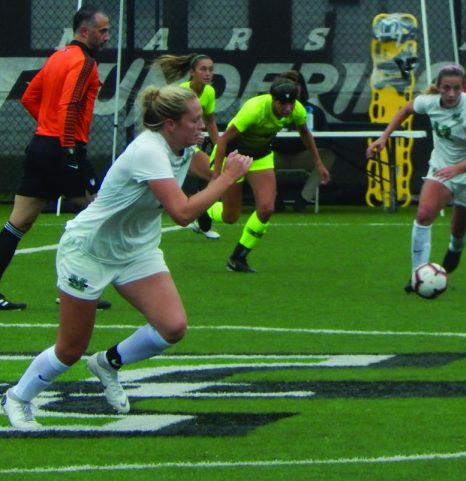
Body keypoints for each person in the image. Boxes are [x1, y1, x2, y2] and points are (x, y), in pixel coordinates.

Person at [0, 85, 253, 429]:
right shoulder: (149, 151)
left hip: (136, 251)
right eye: (194, 121)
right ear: (169, 125)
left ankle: (108, 363)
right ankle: (17, 397)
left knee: (172, 327)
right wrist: (227, 178)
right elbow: (181, 212)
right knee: (71, 347)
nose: (202, 126)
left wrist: (232, 172)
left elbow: (219, 189)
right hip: (89, 252)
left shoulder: (187, 147)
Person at [0, 5, 111, 311]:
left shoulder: (58, 56)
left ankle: (74, 289)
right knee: (97, 214)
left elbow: (28, 97)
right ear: (84, 31)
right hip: (64, 147)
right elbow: (70, 104)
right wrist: (67, 149)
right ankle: (75, 290)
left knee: (18, 221)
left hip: (42, 145)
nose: (107, 36)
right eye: (102, 31)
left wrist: (48, 130)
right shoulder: (84, 62)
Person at [366, 64, 466, 290]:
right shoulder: (430, 102)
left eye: (456, 88)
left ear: (463, 87)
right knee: (423, 214)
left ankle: (456, 246)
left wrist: (457, 169)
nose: (451, 94)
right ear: (438, 87)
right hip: (441, 169)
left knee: (458, 230)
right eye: (446, 88)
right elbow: (406, 110)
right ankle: (417, 275)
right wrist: (383, 137)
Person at [208, 72, 329, 272]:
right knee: (230, 216)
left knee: (266, 208)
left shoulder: (296, 110)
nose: (288, 108)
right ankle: (205, 211)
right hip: (234, 155)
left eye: (291, 104)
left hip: (260, 156)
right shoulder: (255, 109)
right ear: (273, 100)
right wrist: (216, 175)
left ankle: (238, 257)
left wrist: (318, 163)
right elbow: (223, 140)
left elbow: (305, 133)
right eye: (283, 104)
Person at [155, 52, 221, 239]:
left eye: (211, 69)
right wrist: (190, 137)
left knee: (216, 174)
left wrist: (219, 148)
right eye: (203, 69)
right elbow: (168, 124)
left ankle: (200, 215)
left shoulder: (209, 92)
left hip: (190, 147)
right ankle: (196, 212)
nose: (208, 73)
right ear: (192, 72)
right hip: (170, 146)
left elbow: (210, 122)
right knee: (167, 185)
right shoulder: (182, 94)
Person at [272, 71, 336, 212]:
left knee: (328, 155)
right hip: (275, 156)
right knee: (250, 156)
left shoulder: (313, 111)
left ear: (301, 88)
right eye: (286, 85)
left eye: (295, 85)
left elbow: (326, 139)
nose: (291, 90)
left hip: (302, 155)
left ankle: (303, 199)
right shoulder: (268, 110)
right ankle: (272, 197)